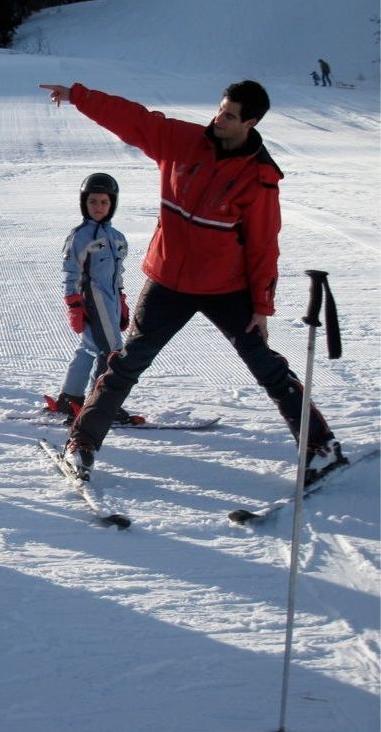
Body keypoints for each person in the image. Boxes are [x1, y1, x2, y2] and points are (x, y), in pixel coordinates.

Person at [39, 80, 341, 479]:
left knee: (266, 365)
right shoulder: (183, 141)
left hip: (226, 287)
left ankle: (321, 445)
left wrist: (261, 306)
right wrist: (80, 96)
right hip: (166, 281)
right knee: (125, 365)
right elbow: (133, 120)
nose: (219, 118)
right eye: (220, 109)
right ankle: (82, 443)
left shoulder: (260, 177)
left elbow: (264, 245)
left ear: (249, 122)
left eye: (230, 115)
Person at [46, 173, 131, 423]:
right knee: (112, 351)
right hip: (93, 298)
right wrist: (72, 302)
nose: (98, 207)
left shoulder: (117, 237)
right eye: (93, 202)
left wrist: (122, 300)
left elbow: (118, 273)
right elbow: (70, 272)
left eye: (104, 202)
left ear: (112, 204)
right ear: (84, 203)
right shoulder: (80, 236)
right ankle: (102, 406)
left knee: (89, 347)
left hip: (111, 300)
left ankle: (69, 398)